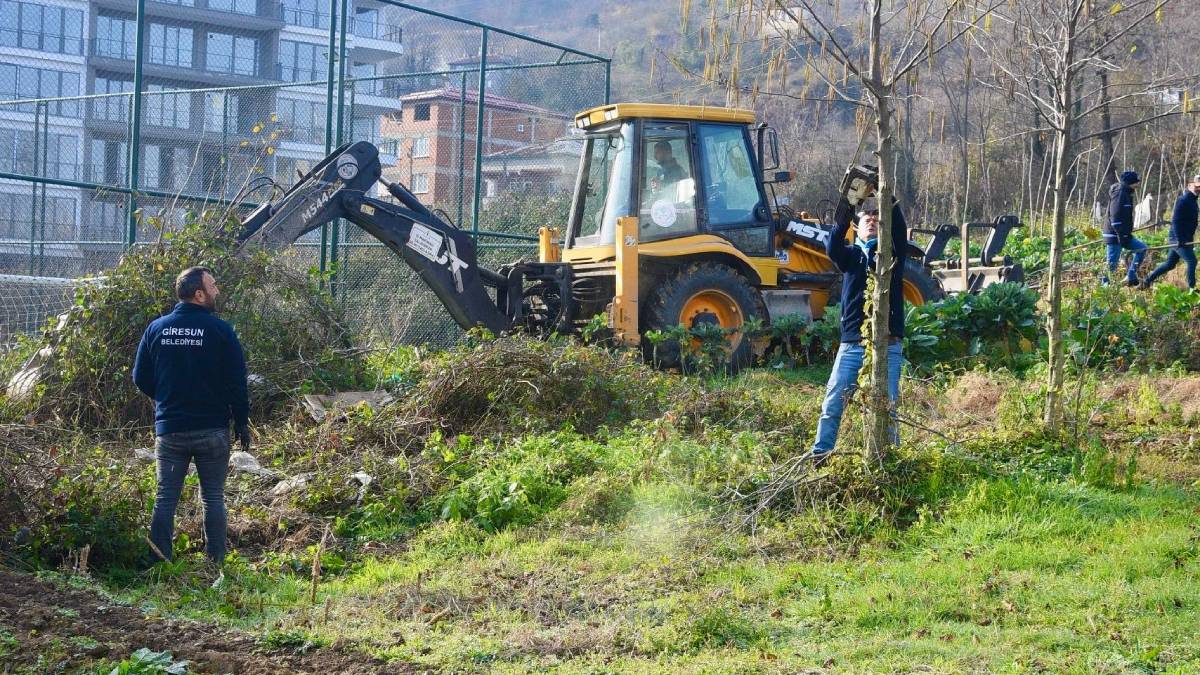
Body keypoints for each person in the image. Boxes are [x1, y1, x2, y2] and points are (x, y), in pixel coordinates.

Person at [133, 267, 250, 570]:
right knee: (212, 496)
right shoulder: (221, 331)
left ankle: (159, 562)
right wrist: (242, 420)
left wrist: (166, 400)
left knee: (165, 498)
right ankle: (216, 562)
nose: (217, 291)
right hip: (212, 430)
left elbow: (140, 377)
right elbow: (237, 382)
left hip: (170, 430)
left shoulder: (156, 329)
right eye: (213, 285)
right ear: (199, 294)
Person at [811, 167, 906, 464]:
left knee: (886, 405)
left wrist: (885, 193)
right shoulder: (851, 257)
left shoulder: (891, 255)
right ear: (857, 227)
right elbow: (832, 243)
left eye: (878, 219)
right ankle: (820, 454)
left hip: (887, 343)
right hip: (852, 344)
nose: (873, 221)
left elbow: (900, 231)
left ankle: (888, 458)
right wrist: (848, 203)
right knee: (833, 401)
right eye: (867, 219)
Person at [1142, 175, 1200, 289]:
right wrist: (1179, 239)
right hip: (1178, 239)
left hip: (1184, 238)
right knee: (1192, 261)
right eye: (1197, 186)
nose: (1198, 189)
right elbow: (1176, 221)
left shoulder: (1193, 201)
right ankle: (1191, 290)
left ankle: (1147, 280)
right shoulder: (1183, 200)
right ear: (1190, 185)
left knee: (1170, 264)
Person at [1105, 170, 1149, 286]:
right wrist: (1121, 235)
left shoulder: (1127, 193)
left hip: (1123, 234)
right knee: (1111, 264)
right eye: (1136, 182)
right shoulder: (1119, 194)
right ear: (1131, 182)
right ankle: (1104, 287)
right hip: (1114, 235)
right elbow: (1115, 217)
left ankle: (1131, 275)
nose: (1138, 184)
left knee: (1141, 249)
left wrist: (1126, 233)